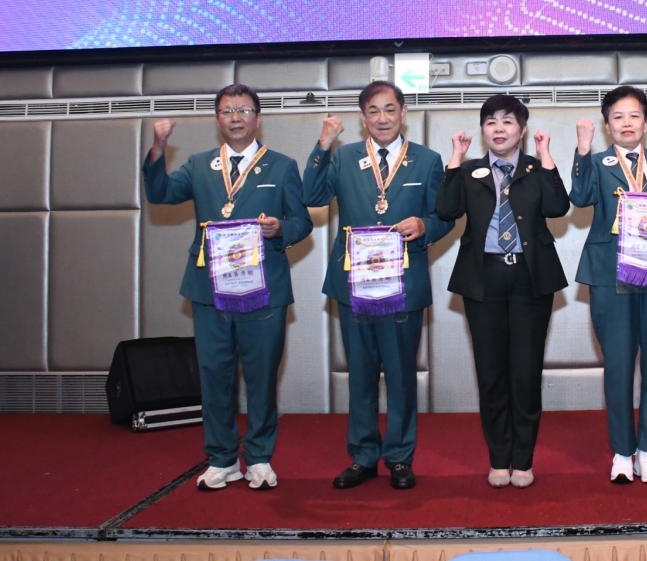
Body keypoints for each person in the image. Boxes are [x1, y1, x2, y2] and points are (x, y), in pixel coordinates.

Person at [143, 84, 312, 491]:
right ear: (217, 119)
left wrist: (280, 229)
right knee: (214, 375)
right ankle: (222, 459)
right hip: (211, 289)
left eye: (244, 110)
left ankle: (259, 457)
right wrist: (157, 149)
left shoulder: (282, 166)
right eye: (227, 111)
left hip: (263, 290)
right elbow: (160, 193)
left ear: (258, 117)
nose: (235, 117)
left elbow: (302, 222)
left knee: (261, 376)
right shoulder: (199, 164)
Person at [303, 81, 453, 491]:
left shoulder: (427, 160)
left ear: (403, 113)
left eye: (389, 109)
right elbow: (311, 195)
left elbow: (445, 216)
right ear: (362, 117)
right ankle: (364, 456)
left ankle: (400, 457)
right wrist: (323, 145)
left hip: (402, 284)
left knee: (401, 376)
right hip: (354, 284)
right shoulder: (343, 156)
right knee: (361, 375)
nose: (382, 118)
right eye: (373, 111)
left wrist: (425, 225)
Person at [435, 95, 570, 489]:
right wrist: (454, 159)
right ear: (482, 131)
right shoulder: (469, 171)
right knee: (491, 373)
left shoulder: (536, 168)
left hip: (530, 279)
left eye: (508, 121)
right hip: (484, 278)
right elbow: (446, 210)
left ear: (522, 130)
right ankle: (498, 459)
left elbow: (558, 207)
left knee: (525, 373)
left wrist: (546, 156)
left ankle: (523, 460)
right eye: (491, 121)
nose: (499, 128)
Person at [570, 86, 647, 485]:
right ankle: (623, 450)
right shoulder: (597, 162)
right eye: (618, 117)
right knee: (618, 364)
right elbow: (580, 198)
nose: (626, 123)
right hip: (611, 274)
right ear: (607, 125)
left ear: (646, 123)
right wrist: (582, 150)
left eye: (634, 115)